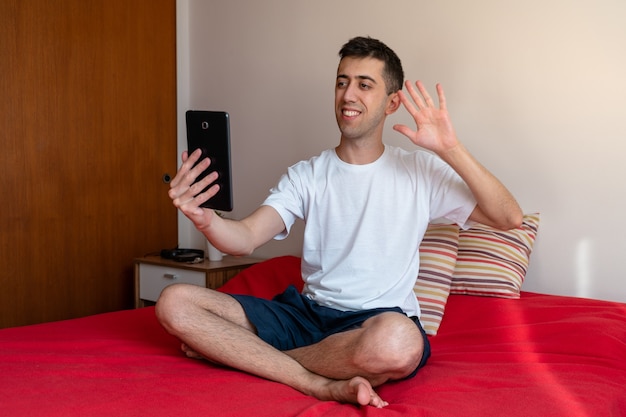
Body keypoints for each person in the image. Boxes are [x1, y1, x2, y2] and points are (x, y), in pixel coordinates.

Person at [156, 36, 522, 408]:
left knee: (398, 343)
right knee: (175, 302)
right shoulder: (307, 175)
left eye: (365, 85)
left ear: (392, 102)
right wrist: (204, 218)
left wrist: (450, 149)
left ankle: (249, 357)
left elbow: (508, 217)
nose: (349, 94)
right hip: (306, 316)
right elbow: (246, 237)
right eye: (342, 81)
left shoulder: (420, 172)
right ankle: (313, 381)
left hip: (375, 322)